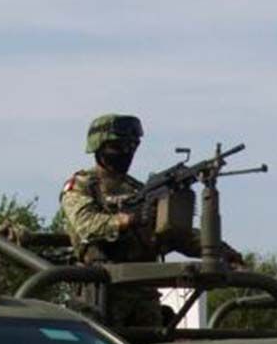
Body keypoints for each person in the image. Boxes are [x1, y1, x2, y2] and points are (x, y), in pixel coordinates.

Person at [58, 114, 202, 326]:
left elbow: (173, 235)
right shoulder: (82, 185)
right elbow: (86, 224)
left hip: (144, 296)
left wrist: (216, 249)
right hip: (102, 292)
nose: (127, 153)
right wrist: (127, 220)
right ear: (100, 146)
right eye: (120, 146)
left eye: (133, 146)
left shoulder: (138, 189)